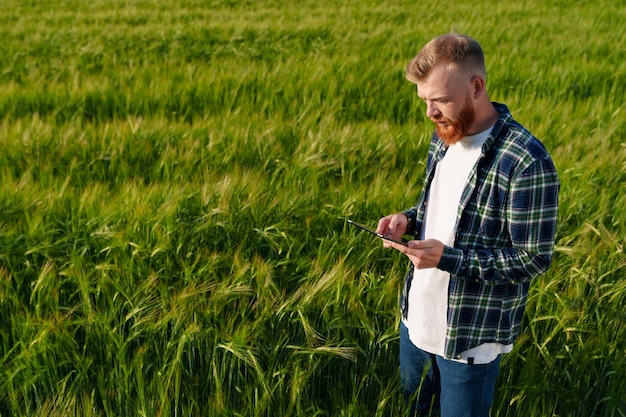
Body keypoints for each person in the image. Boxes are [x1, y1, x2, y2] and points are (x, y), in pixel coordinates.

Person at [376, 33, 560, 416]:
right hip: (416, 321)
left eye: (440, 100)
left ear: (477, 87)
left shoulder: (526, 160)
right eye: (425, 100)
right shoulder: (445, 136)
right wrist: (407, 220)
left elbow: (532, 258)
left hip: (469, 338)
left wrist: (449, 259)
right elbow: (442, 207)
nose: (430, 113)